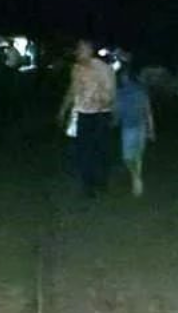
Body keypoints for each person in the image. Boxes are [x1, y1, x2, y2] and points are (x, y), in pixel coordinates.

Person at [57, 40, 116, 196]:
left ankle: (101, 180)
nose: (78, 52)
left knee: (100, 149)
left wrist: (100, 101)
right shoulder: (77, 69)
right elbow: (73, 90)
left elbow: (110, 93)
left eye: (81, 49)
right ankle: (87, 184)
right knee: (83, 151)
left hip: (101, 114)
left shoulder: (103, 69)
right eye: (77, 49)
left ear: (90, 50)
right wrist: (64, 109)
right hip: (83, 113)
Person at [115, 65, 155, 196]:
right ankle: (136, 180)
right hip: (141, 126)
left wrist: (113, 122)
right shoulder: (141, 91)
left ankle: (136, 178)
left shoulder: (119, 93)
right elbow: (148, 112)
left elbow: (117, 113)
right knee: (138, 155)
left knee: (127, 157)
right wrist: (151, 129)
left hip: (128, 127)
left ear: (123, 77)